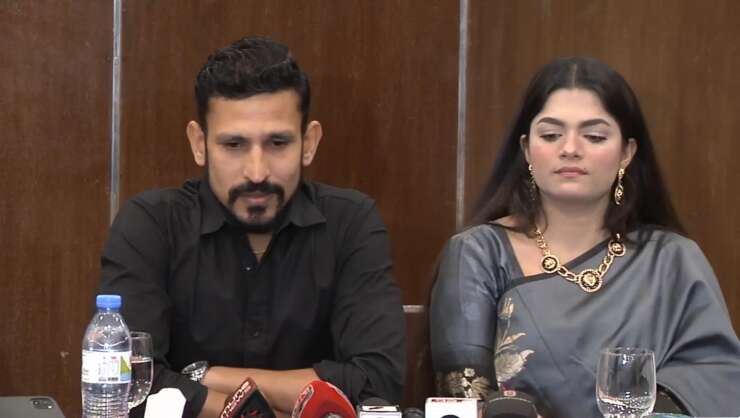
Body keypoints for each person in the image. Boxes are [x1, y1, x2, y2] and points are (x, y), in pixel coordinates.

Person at [97, 37, 406, 418]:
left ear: (308, 143)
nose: (257, 172)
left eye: (277, 143)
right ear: (199, 143)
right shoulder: (151, 224)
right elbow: (130, 384)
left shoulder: (351, 223)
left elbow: (378, 382)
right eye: (234, 145)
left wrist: (204, 377)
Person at [429, 56, 740, 417]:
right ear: (527, 150)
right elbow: (464, 401)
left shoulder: (671, 260)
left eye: (594, 136)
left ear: (626, 152)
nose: (570, 148)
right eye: (551, 135)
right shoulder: (478, 253)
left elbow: (718, 379)